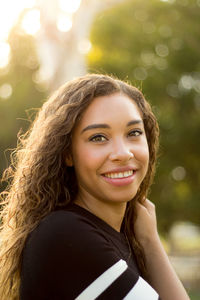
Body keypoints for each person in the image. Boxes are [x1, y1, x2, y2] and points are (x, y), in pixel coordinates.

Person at [0, 74, 189, 300]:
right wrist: (151, 244)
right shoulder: (65, 236)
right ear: (67, 153)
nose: (123, 153)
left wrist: (149, 241)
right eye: (98, 137)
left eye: (134, 133)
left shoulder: (120, 237)